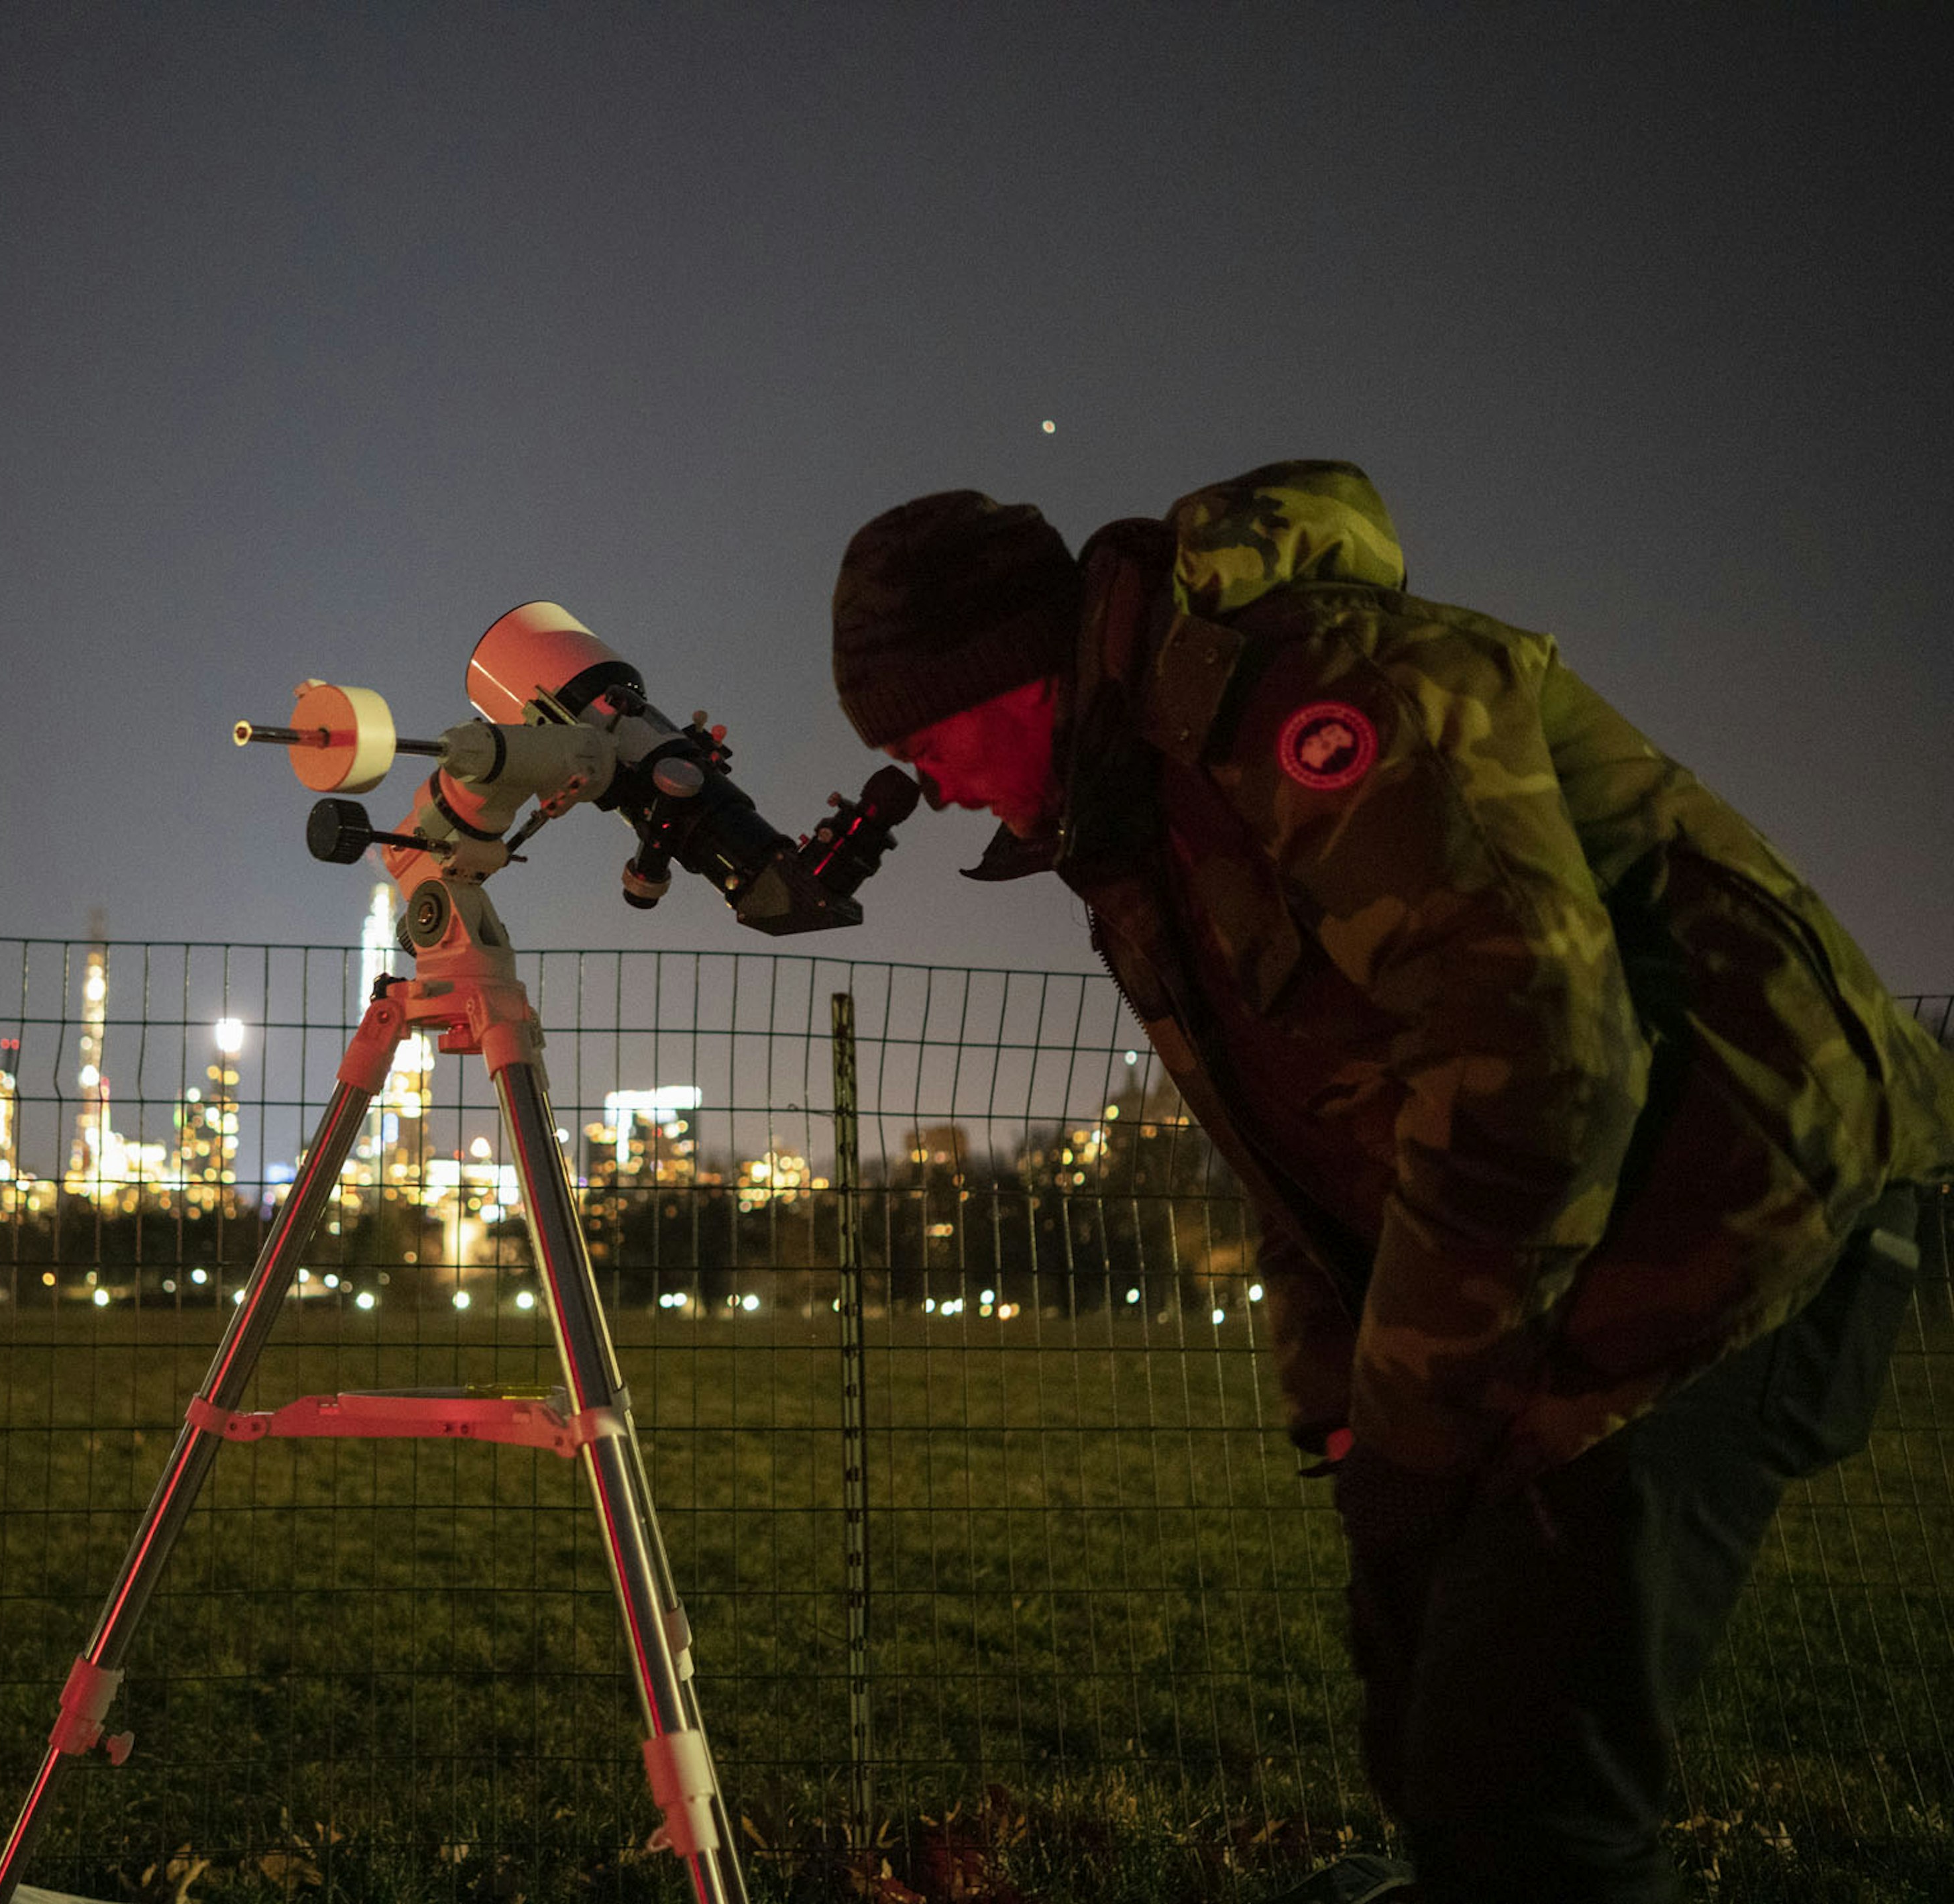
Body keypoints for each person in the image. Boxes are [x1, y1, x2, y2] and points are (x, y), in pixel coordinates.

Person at [828, 464, 1954, 1904]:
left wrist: (1418, 1427)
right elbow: (1293, 1141)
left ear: (1019, 674)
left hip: (1734, 1210)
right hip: (1583, 1246)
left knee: (1524, 1793)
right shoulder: (1147, 814)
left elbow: (1537, 1055)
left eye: (932, 740)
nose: (929, 787)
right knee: (1429, 1727)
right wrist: (1355, 1422)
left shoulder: (1311, 709)